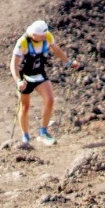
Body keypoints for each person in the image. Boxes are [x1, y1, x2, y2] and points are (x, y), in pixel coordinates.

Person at [11, 20, 73, 148]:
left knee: (50, 100)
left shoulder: (47, 36)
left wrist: (68, 62)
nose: (45, 37)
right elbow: (14, 64)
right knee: (25, 107)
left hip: (39, 74)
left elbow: (56, 50)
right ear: (34, 35)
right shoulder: (23, 42)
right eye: (41, 35)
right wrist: (18, 81)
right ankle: (25, 136)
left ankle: (43, 133)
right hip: (25, 77)